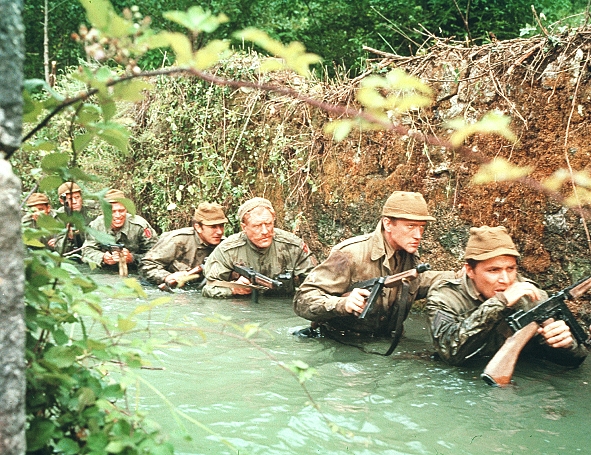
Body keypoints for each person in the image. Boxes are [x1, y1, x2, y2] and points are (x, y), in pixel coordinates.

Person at [294, 191, 456, 338]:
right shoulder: (350, 254)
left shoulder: (409, 258)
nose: (418, 235)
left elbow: (421, 281)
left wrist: (461, 276)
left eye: (422, 227)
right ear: (388, 224)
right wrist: (341, 304)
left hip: (386, 342)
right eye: (411, 226)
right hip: (340, 342)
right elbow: (303, 299)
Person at [426, 225, 587, 366]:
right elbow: (450, 353)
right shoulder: (445, 296)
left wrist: (566, 345)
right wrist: (500, 302)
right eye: (493, 270)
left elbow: (575, 360)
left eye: (511, 269)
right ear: (470, 271)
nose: (506, 280)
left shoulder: (531, 295)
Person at [202, 197, 318, 298]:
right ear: (244, 227)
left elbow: (316, 283)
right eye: (257, 226)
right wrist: (233, 289)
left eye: (268, 224)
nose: (265, 231)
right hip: (242, 309)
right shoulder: (227, 250)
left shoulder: (293, 246)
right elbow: (209, 288)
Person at [140, 202, 228, 287]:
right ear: (198, 227)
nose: (220, 232)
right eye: (213, 227)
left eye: (221, 226)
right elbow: (147, 265)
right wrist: (167, 277)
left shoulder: (225, 246)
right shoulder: (177, 240)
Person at [82, 189, 158, 270]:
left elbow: (156, 254)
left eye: (121, 211)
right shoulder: (96, 226)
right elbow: (86, 251)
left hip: (136, 269)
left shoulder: (140, 225)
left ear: (126, 209)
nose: (118, 215)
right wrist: (102, 257)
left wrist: (132, 258)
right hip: (105, 270)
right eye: (112, 211)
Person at [53, 181, 92, 256]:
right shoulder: (60, 216)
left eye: (77, 197)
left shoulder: (93, 210)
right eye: (70, 199)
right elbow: (59, 249)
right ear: (62, 201)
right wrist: (69, 237)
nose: (74, 202)